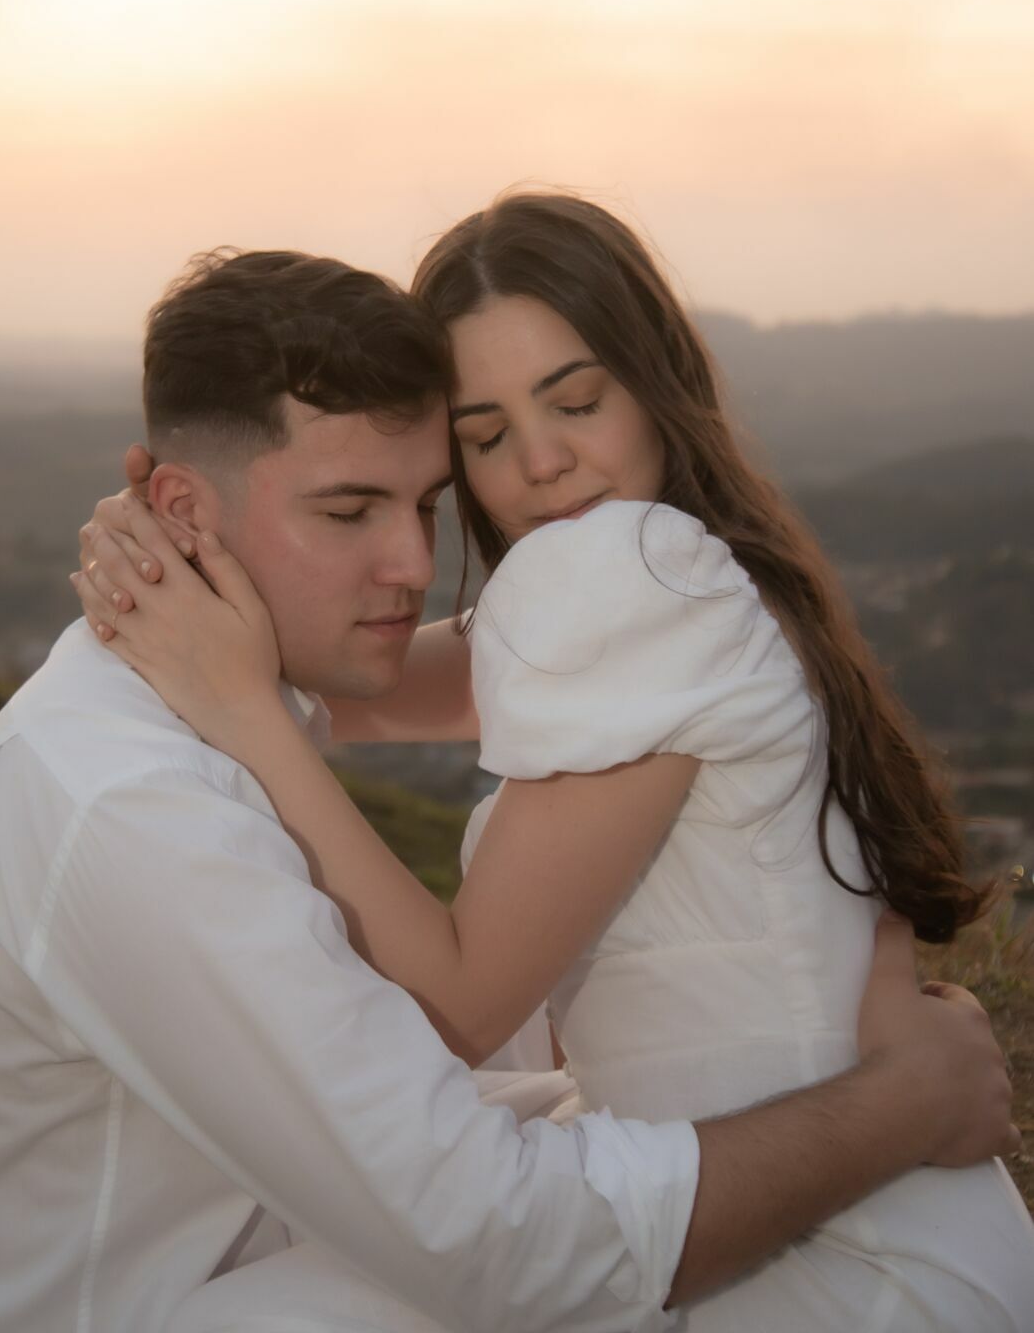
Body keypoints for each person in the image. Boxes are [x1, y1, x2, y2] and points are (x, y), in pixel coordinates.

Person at [68, 224, 1032, 1330]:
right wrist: (196, 568)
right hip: (866, 1226)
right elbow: (364, 677)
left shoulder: (628, 577)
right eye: (486, 434)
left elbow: (459, 1003)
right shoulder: (693, 575)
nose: (540, 462)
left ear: (656, 377)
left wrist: (239, 704)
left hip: (816, 1268)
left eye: (576, 403)